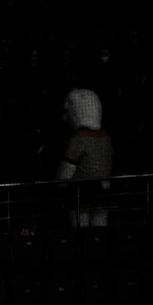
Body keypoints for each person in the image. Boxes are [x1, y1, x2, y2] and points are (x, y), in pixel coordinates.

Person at [55, 88, 113, 227]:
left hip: (81, 193)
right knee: (99, 231)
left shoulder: (79, 139)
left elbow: (65, 174)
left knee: (81, 233)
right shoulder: (105, 137)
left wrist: (58, 185)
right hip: (102, 192)